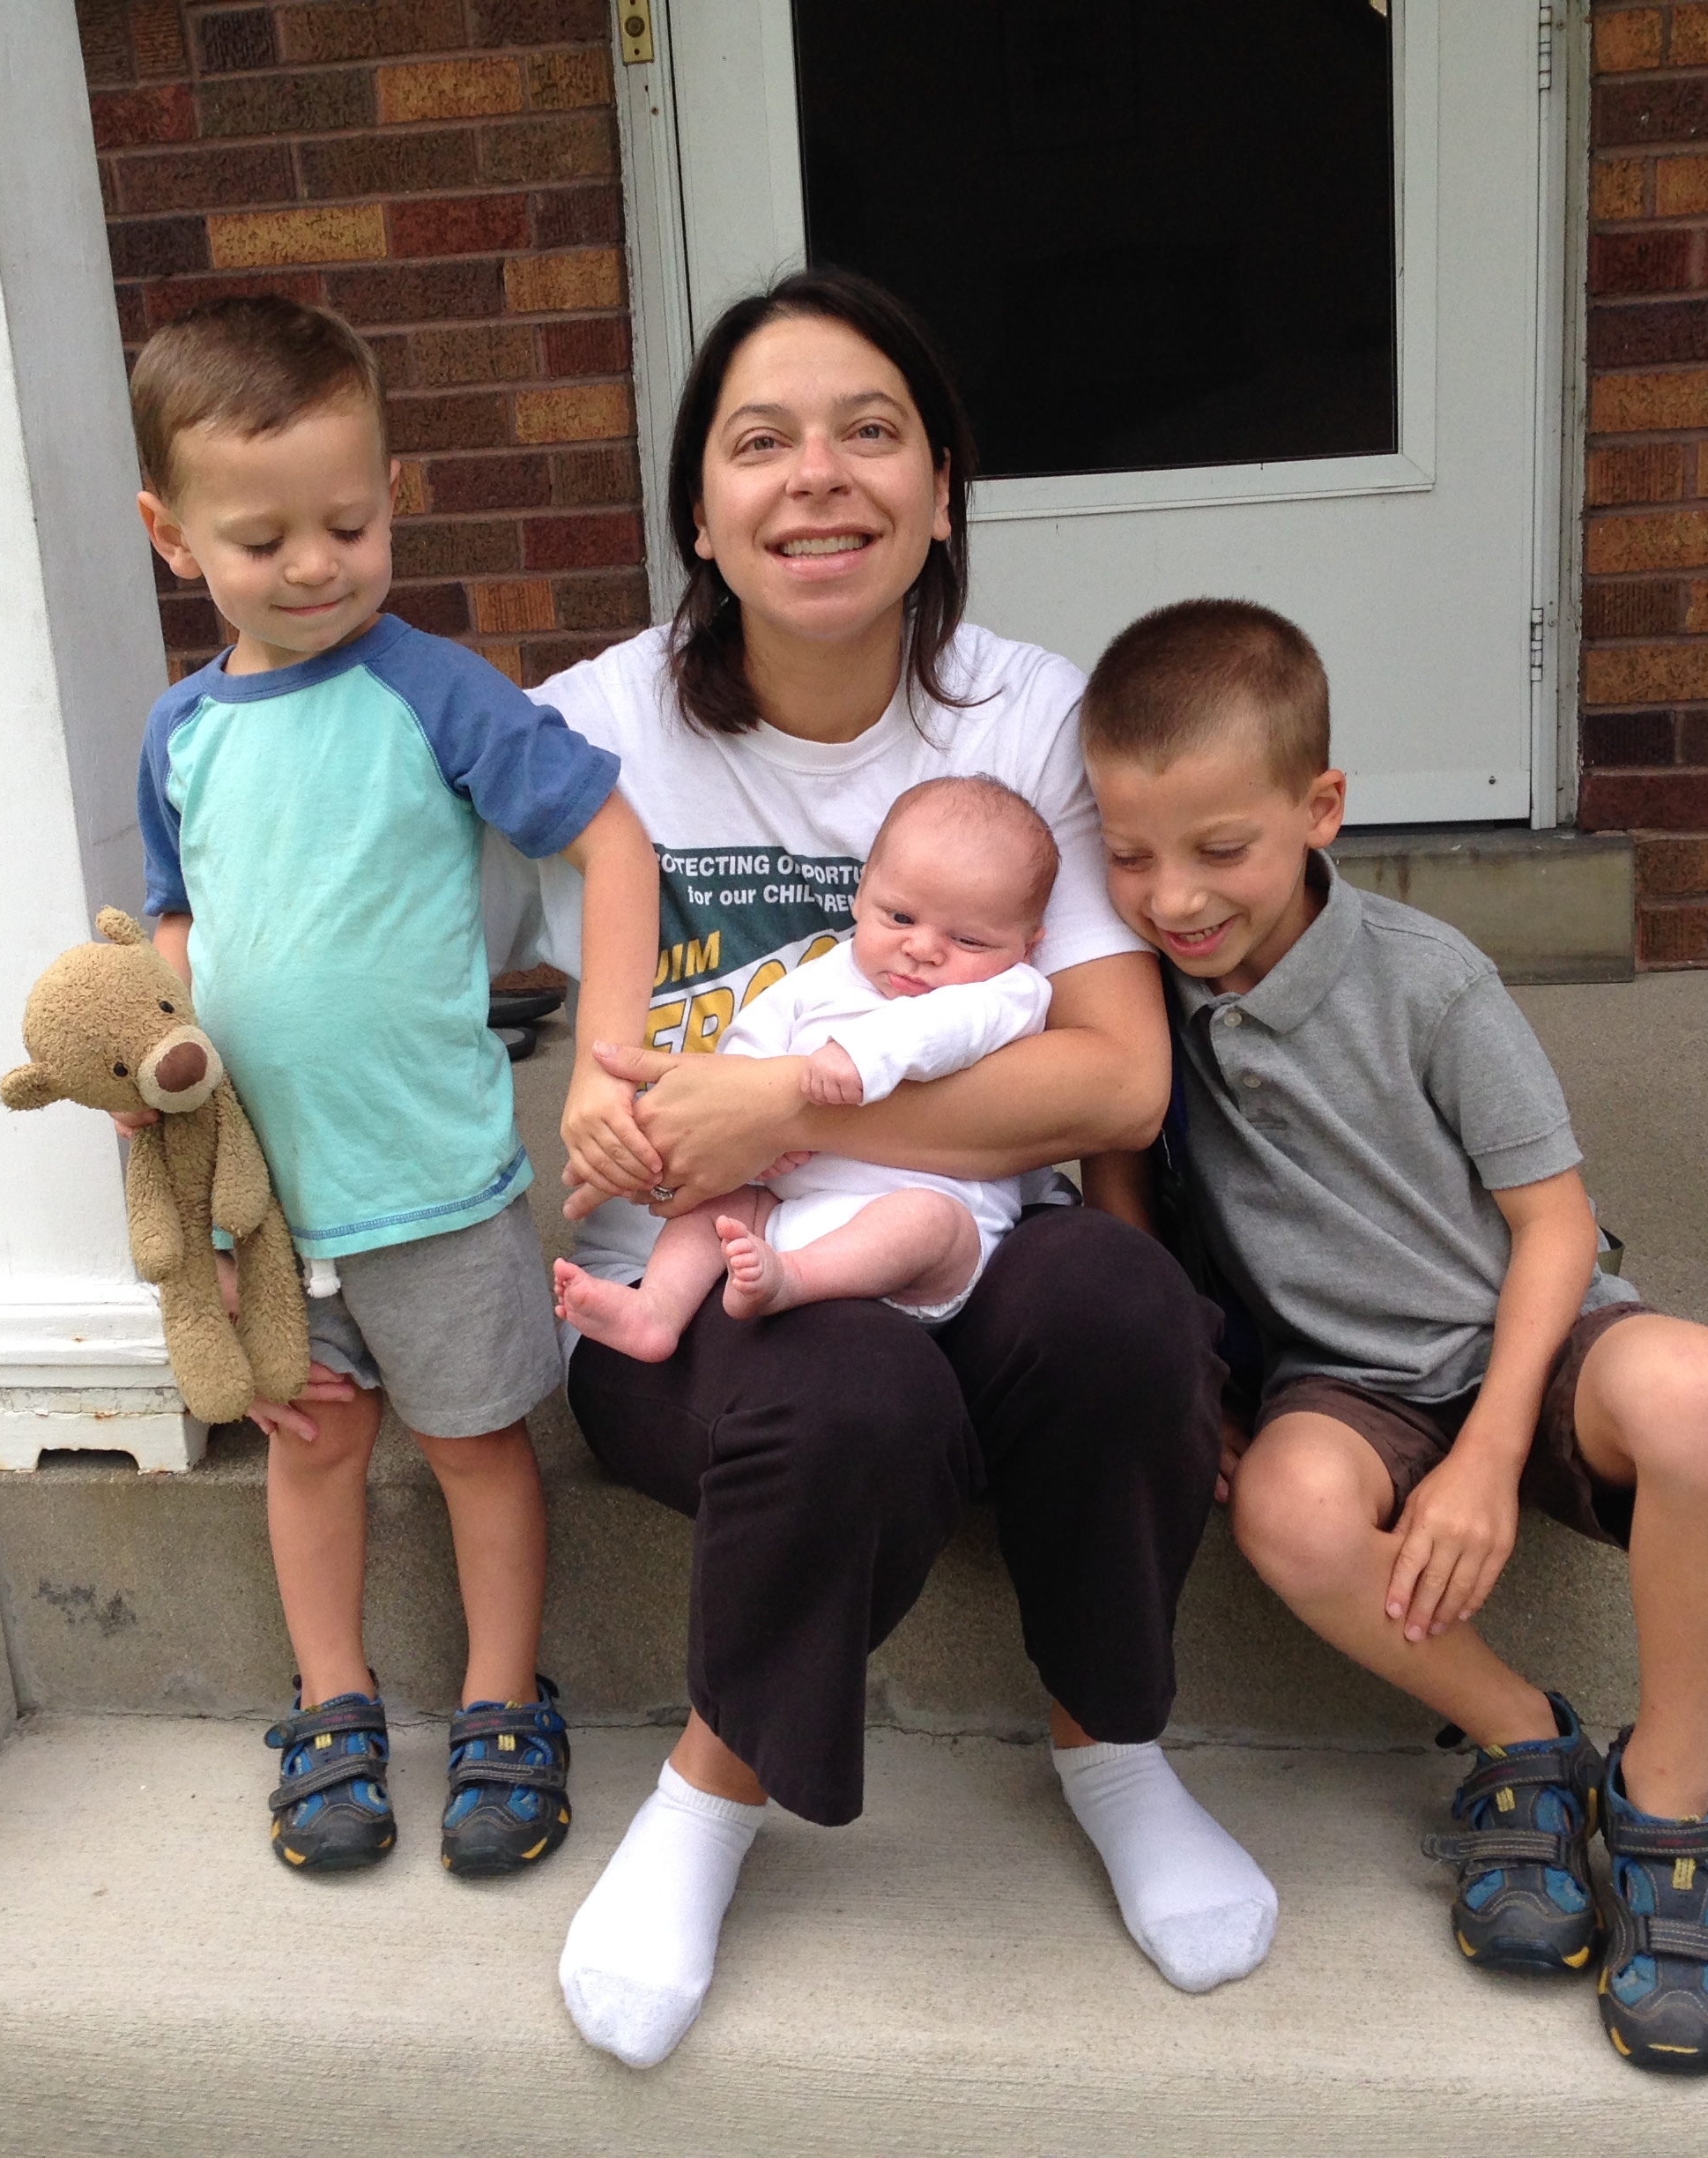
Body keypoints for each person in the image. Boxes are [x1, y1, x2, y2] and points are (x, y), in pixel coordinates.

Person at [509, 269, 1273, 2072]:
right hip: (696, 1302)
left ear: (944, 488)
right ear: (698, 508)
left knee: (1116, 1299)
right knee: (845, 1383)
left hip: (968, 1247)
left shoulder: (1025, 717)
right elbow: (365, 919)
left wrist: (787, 1109)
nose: (818, 478)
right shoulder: (594, 727)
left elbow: (1118, 1079)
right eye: (758, 442)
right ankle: (709, 1797)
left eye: (872, 433)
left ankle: (1115, 1745)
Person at [1078, 597, 1708, 2074]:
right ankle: (1520, 1737)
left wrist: (1485, 1454)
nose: (1171, 896)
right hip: (1339, 1385)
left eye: (1219, 848)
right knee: (1285, 1504)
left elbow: (1550, 1221)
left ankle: (1662, 1800)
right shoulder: (1135, 993)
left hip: (1523, 1340)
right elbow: (1114, 1166)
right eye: (1128, 853)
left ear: (1318, 807)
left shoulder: (1428, 979)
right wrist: (1188, 1370)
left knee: (1700, 1394)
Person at [123, 295, 661, 1880]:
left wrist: (606, 1054)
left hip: (432, 1179)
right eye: (261, 534)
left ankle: (501, 1697)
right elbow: (175, 931)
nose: (313, 564)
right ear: (169, 537)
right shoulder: (177, 734)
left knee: (482, 1443)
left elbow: (605, 835)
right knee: (311, 1441)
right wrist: (170, 1119)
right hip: (273, 1198)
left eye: (348, 522)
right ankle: (334, 1695)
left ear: (391, 494)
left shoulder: (433, 690)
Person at [553, 775, 1058, 1355]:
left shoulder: (1012, 992)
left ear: (1027, 943)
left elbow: (949, 1030)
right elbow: (752, 1042)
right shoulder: (827, 973)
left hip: (928, 1247)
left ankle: (793, 1282)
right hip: (789, 1210)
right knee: (715, 1208)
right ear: (861, 894)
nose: (922, 948)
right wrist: (752, 1126)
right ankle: (657, 1309)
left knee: (926, 1220)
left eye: (967, 939)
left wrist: (864, 1056)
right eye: (898, 917)